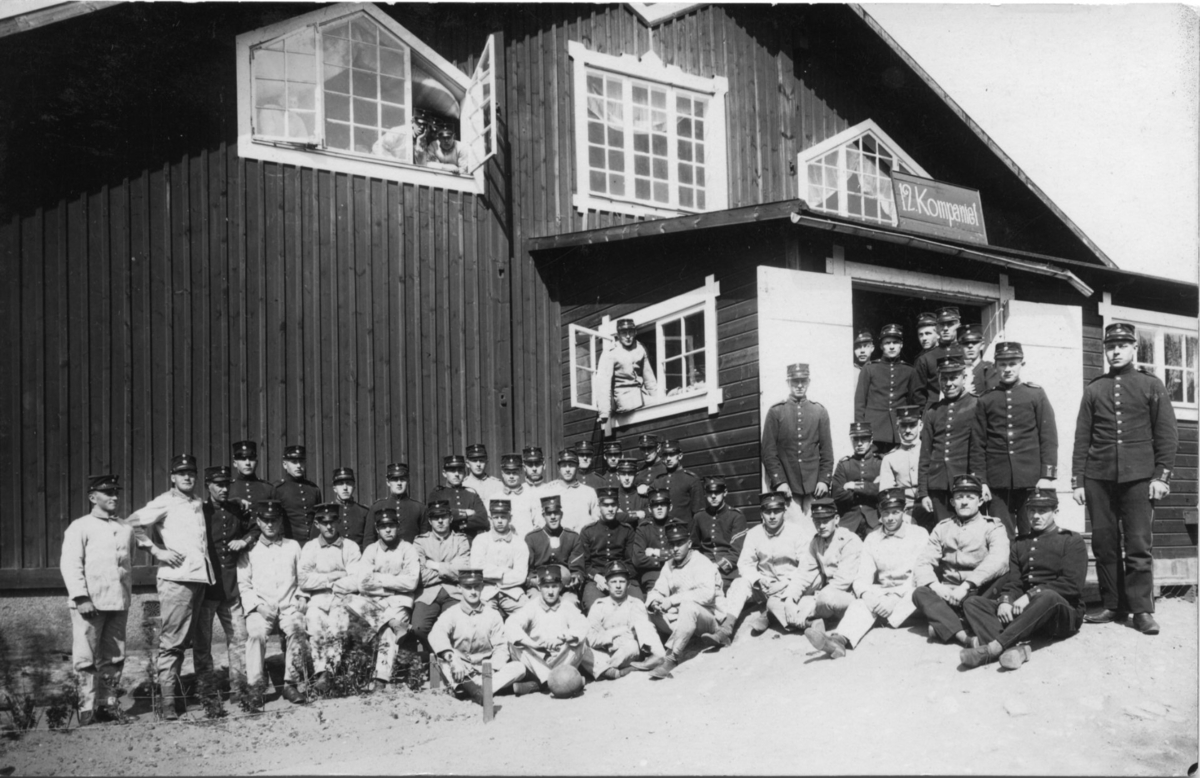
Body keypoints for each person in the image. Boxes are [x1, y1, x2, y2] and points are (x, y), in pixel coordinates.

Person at [1073, 322, 1178, 634]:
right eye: (1110, 346)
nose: (1115, 351)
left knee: (1138, 543)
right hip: (1098, 477)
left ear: (1134, 348)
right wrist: (1078, 481)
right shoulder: (1094, 389)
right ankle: (1112, 604)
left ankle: (1141, 610)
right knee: (1104, 544)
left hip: (1139, 477)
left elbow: (1167, 434)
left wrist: (1161, 476)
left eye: (1122, 346)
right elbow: (1082, 438)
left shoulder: (1151, 385)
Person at [959, 488, 1087, 669]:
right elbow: (1015, 582)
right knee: (972, 603)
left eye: (1042, 511)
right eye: (1032, 511)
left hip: (1061, 615)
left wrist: (1029, 595)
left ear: (1055, 512)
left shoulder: (1072, 540)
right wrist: (1006, 600)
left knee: (1047, 596)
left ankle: (994, 648)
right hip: (1028, 613)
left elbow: (1072, 584)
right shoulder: (1020, 543)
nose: (1036, 516)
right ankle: (1018, 650)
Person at [130, 453, 212, 719]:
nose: (187, 477)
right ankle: (167, 703)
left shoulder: (196, 502)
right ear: (173, 477)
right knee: (173, 642)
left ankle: (195, 696)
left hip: (199, 579)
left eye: (191, 473)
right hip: (177, 580)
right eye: (181, 473)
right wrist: (157, 551)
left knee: (194, 641)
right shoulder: (165, 501)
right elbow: (132, 523)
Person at [806, 488, 929, 659]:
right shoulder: (872, 538)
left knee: (922, 592)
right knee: (860, 603)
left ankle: (879, 618)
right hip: (883, 592)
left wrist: (894, 599)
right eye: (885, 512)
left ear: (904, 511)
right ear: (879, 513)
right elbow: (862, 577)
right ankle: (838, 641)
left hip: (909, 591)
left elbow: (920, 574)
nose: (890, 518)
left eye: (895, 512)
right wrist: (867, 596)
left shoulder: (919, 534)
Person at [60, 474, 135, 725]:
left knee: (114, 657)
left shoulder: (125, 528)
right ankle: (86, 708)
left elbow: (127, 564)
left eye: (116, 492)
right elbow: (71, 564)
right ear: (93, 497)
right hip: (89, 602)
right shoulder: (80, 526)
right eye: (108, 493)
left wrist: (125, 596)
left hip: (118, 601)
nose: (114, 496)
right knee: (85, 658)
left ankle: (108, 704)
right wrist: (81, 597)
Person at [973, 342, 1058, 540]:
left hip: (1032, 480)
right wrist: (981, 481)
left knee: (1033, 534)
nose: (1008, 369)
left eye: (1013, 363)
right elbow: (978, 444)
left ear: (1022, 364)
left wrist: (1047, 476)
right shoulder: (986, 399)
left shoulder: (1035, 394)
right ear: (995, 366)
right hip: (997, 482)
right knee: (1001, 536)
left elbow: (1048, 437)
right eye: (1003, 364)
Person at [912, 474, 1010, 648]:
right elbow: (923, 562)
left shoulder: (993, 526)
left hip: (978, 591)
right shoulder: (943, 527)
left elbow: (999, 560)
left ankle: (947, 624)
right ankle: (965, 637)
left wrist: (966, 586)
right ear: (952, 502)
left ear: (980, 501)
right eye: (959, 497)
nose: (964, 502)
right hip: (948, 593)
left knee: (982, 595)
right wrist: (937, 587)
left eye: (970, 497)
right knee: (920, 593)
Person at [238, 500, 307, 706]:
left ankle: (290, 684)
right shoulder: (249, 549)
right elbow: (244, 585)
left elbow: (302, 577)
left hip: (288, 605)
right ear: (258, 522)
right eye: (265, 520)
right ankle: (256, 687)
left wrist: (301, 597)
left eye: (274, 520)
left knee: (297, 629)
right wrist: (259, 607)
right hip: (260, 607)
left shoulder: (292, 546)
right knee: (256, 634)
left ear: (280, 522)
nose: (270, 524)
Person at [194, 465, 252, 705]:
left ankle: (239, 687)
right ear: (208, 486)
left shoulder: (237, 509)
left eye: (227, 484)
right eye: (218, 485)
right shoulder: (199, 511)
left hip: (231, 588)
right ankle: (207, 690)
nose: (224, 489)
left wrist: (244, 540)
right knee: (202, 644)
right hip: (206, 588)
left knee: (239, 638)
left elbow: (255, 528)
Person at [716, 491, 808, 642]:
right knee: (739, 583)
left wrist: (785, 582)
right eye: (767, 512)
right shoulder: (754, 534)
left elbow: (806, 565)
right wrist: (758, 580)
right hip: (764, 586)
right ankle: (727, 626)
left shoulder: (796, 532)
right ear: (761, 514)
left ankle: (769, 614)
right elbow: (745, 563)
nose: (772, 516)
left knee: (794, 592)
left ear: (784, 511)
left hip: (789, 584)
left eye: (777, 511)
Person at [428, 568, 528, 705]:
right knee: (443, 663)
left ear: (482, 587)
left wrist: (492, 668)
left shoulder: (493, 614)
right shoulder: (451, 613)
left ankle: (472, 690)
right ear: (459, 588)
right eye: (468, 587)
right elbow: (436, 634)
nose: (473, 592)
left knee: (519, 667)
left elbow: (501, 646)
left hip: (486, 671)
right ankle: (481, 690)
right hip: (460, 668)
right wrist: (452, 658)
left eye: (477, 587)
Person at [347, 507, 420, 691]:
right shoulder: (371, 550)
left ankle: (381, 680)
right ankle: (394, 622)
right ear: (377, 529)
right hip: (374, 601)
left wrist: (379, 579)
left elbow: (411, 582)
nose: (388, 530)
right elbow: (363, 584)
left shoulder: (408, 549)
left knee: (387, 631)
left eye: (391, 525)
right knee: (348, 600)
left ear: (398, 527)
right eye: (383, 526)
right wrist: (396, 581)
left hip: (399, 602)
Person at [645, 521, 728, 680]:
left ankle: (671, 659)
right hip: (684, 620)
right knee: (647, 610)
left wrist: (672, 600)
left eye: (680, 543)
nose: (675, 548)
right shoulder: (669, 564)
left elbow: (706, 595)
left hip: (710, 619)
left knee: (688, 606)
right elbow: (658, 589)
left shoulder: (701, 562)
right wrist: (655, 602)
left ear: (689, 544)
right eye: (672, 544)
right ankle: (658, 654)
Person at [298, 503, 361, 694]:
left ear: (338, 522)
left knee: (336, 626)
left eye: (332, 521)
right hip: (317, 598)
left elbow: (356, 580)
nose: (329, 526)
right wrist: (333, 577)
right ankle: (321, 672)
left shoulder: (350, 547)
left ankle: (330, 673)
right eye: (324, 522)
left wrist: (327, 583)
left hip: (342, 597)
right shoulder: (310, 547)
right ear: (317, 524)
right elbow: (303, 580)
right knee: (315, 625)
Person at [761, 362, 833, 524]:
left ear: (809, 382)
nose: (799, 385)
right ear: (788, 382)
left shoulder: (819, 412)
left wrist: (824, 480)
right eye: (795, 381)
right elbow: (768, 453)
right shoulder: (776, 412)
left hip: (814, 486)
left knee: (814, 530)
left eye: (803, 381)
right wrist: (779, 482)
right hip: (788, 485)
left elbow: (827, 452)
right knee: (791, 531)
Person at [918, 352, 984, 527]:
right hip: (938, 484)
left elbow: (980, 449)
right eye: (944, 378)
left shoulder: (976, 405)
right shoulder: (933, 411)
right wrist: (923, 492)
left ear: (964, 378)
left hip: (966, 484)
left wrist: (980, 482)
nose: (948, 384)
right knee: (943, 531)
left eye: (954, 378)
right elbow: (925, 455)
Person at [506, 565, 596, 693]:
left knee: (580, 642)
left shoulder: (567, 606)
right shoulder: (531, 606)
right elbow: (511, 624)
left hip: (561, 658)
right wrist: (534, 645)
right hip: (538, 659)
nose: (550, 591)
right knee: (515, 644)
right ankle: (559, 682)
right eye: (546, 587)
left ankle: (542, 684)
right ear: (539, 587)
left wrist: (562, 638)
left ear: (560, 587)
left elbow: (582, 625)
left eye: (554, 586)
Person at [785, 501, 862, 633]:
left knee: (826, 599)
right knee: (789, 603)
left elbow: (843, 581)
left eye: (825, 521)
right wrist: (790, 599)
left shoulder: (849, 540)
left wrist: (813, 604)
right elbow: (803, 573)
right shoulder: (816, 541)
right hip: (826, 594)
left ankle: (809, 620)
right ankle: (815, 622)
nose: (821, 526)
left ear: (836, 519)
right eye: (817, 521)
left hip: (849, 595)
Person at [586, 561, 666, 678]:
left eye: (622, 581)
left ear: (628, 584)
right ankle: (616, 671)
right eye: (613, 582)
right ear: (607, 584)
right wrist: (617, 633)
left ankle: (605, 670)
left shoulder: (636, 604)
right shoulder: (598, 605)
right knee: (582, 649)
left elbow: (638, 636)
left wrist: (606, 637)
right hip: (603, 653)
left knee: (632, 646)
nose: (618, 586)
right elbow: (591, 639)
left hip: (626, 651)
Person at [410, 502, 471, 647]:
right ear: (430, 521)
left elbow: (463, 571)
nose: (440, 521)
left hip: (454, 592)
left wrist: (434, 565)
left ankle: (449, 655)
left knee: (458, 626)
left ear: (451, 518)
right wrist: (451, 568)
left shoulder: (461, 540)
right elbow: (421, 575)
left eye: (444, 517)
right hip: (427, 594)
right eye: (435, 518)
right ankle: (436, 652)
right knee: (418, 628)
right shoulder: (420, 542)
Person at [854, 323, 916, 450]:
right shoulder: (869, 369)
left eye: (895, 342)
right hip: (874, 431)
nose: (892, 346)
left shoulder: (909, 371)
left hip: (898, 433)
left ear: (901, 345)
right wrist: (862, 433)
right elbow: (860, 403)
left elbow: (912, 401)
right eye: (887, 343)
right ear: (881, 346)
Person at [580, 488, 639, 610]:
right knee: (594, 607)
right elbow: (585, 564)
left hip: (623, 577)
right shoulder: (588, 531)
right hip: (597, 579)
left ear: (618, 506)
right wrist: (596, 577)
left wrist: (619, 578)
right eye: (606, 505)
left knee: (637, 606)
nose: (610, 509)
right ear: (599, 507)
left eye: (613, 505)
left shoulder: (627, 530)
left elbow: (631, 562)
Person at [470, 499, 530, 617]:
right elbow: (476, 569)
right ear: (490, 518)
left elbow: (520, 575)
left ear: (510, 518)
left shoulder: (519, 543)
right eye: (496, 517)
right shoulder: (480, 540)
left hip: (512, 592)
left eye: (503, 517)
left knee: (529, 613)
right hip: (485, 591)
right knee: (481, 617)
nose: (499, 521)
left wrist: (491, 575)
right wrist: (504, 572)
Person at [525, 495, 586, 609]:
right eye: (549, 514)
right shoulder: (532, 538)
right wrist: (536, 581)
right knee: (535, 603)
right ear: (543, 516)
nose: (553, 517)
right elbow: (528, 571)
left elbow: (577, 569)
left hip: (565, 588)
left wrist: (575, 578)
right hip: (539, 587)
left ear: (561, 514)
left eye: (556, 513)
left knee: (570, 603)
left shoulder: (572, 537)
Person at [690, 475, 747, 592]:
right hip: (704, 568)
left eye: (717, 492)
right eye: (710, 493)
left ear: (725, 492)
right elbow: (695, 547)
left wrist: (717, 566)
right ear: (705, 494)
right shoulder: (699, 516)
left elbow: (737, 551)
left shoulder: (736, 516)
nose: (713, 496)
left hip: (728, 572)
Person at [596, 319, 658, 422]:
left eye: (631, 332)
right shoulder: (610, 352)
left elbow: (649, 379)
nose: (628, 336)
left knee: (660, 403)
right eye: (624, 333)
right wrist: (604, 412)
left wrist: (657, 398)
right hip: (624, 399)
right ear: (618, 335)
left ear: (635, 332)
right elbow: (603, 383)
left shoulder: (640, 348)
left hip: (641, 396)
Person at [831, 423, 882, 539]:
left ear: (871, 440)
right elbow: (836, 495)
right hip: (849, 521)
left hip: (874, 520)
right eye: (855, 439)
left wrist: (854, 486)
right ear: (851, 440)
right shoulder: (844, 465)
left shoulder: (880, 463)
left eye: (863, 439)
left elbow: (882, 490)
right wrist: (870, 488)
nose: (859, 443)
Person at [879, 405, 926, 523]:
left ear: (920, 425)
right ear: (897, 428)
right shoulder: (890, 458)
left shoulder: (930, 452)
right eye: (903, 426)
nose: (908, 430)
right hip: (904, 511)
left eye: (912, 425)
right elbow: (887, 493)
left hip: (929, 506)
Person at [364, 462, 426, 547]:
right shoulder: (377, 507)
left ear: (408, 481)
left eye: (402, 479)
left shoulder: (419, 508)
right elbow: (369, 539)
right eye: (395, 479)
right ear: (388, 482)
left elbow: (425, 540)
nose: (399, 483)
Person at [428, 455, 489, 539]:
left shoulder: (471, 494)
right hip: (447, 541)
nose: (457, 474)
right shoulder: (437, 494)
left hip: (469, 542)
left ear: (464, 473)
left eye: (460, 471)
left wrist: (458, 524)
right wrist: (465, 513)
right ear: (444, 473)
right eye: (452, 471)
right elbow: (435, 517)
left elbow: (483, 520)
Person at [913, 306, 962, 409]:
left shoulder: (965, 353)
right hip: (935, 411)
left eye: (950, 324)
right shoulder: (926, 358)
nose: (945, 328)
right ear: (937, 328)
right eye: (942, 324)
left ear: (959, 325)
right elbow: (918, 395)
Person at [273, 445, 322, 543]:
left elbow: (318, 518)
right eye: (294, 462)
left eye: (301, 461)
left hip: (312, 544)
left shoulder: (313, 489)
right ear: (285, 465)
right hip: (288, 544)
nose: (298, 466)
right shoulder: (278, 489)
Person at [544, 449, 600, 533]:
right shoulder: (550, 490)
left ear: (577, 467)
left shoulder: (589, 492)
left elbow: (597, 520)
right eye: (564, 466)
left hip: (583, 538)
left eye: (571, 465)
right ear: (559, 468)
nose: (567, 469)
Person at [652, 439, 704, 528]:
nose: (668, 458)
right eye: (665, 455)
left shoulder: (691, 480)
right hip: (662, 531)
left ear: (680, 456)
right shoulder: (658, 481)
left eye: (672, 454)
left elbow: (698, 513)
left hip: (685, 530)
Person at [631, 489, 673, 596]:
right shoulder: (643, 529)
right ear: (649, 509)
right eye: (655, 505)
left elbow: (683, 553)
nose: (659, 508)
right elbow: (638, 559)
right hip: (653, 576)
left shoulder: (677, 526)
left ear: (670, 507)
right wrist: (666, 559)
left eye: (663, 504)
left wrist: (656, 553)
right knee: (656, 599)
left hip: (675, 572)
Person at [498, 453, 541, 535]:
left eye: (514, 472)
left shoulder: (531, 495)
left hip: (526, 541)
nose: (511, 476)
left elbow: (538, 523)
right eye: (508, 473)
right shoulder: (496, 497)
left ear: (521, 471)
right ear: (502, 473)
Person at [329, 467, 369, 548]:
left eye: (348, 483)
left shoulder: (364, 512)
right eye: (341, 484)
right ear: (334, 488)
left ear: (354, 487)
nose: (345, 488)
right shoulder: (328, 511)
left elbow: (369, 541)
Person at [229, 441, 274, 508]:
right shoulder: (228, 488)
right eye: (243, 459)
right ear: (235, 463)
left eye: (251, 459)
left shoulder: (268, 488)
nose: (247, 463)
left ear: (256, 462)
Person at [959, 324, 999, 397]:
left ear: (982, 345)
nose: (970, 346)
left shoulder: (989, 369)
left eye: (974, 342)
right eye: (965, 343)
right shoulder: (957, 370)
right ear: (960, 347)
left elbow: (992, 397)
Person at [613, 458, 649, 526]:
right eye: (623, 474)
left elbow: (649, 513)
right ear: (618, 476)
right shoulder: (614, 497)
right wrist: (636, 515)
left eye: (630, 474)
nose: (627, 478)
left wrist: (622, 516)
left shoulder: (643, 496)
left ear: (636, 475)